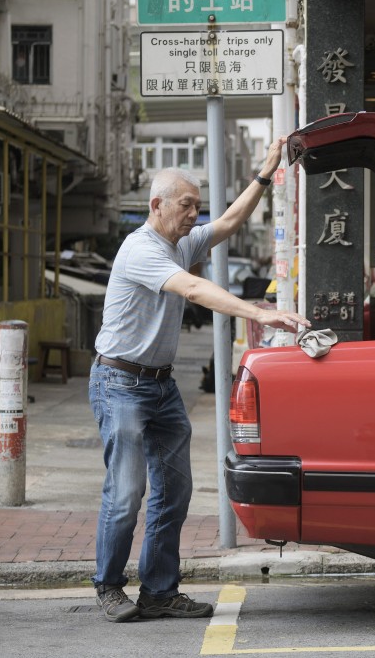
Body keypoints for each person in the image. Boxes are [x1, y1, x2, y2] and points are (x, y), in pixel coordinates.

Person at [89, 137, 310, 622]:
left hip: (161, 387)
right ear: (157, 205)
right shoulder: (140, 250)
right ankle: (108, 585)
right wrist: (258, 312)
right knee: (126, 493)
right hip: (120, 382)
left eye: (196, 206)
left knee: (175, 491)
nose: (194, 214)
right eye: (186, 205)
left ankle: (159, 591)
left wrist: (264, 173)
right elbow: (193, 287)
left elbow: (230, 222)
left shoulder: (179, 242)